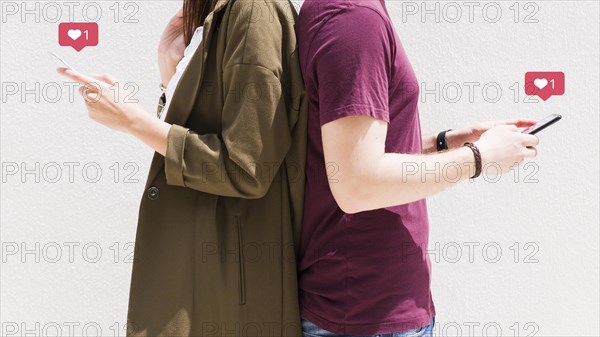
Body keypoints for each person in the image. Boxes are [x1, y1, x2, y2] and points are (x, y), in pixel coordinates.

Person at [57, 0, 307, 335]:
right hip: (202, 276)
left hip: (228, 290)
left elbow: (246, 167)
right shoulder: (219, 14)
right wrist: (169, 72)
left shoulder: (252, 11)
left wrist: (132, 121)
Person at [295, 0, 539, 336]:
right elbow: (357, 183)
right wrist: (480, 157)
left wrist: (448, 140)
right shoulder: (354, 20)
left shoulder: (349, 12)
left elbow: (353, 150)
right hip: (368, 313)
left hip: (372, 308)